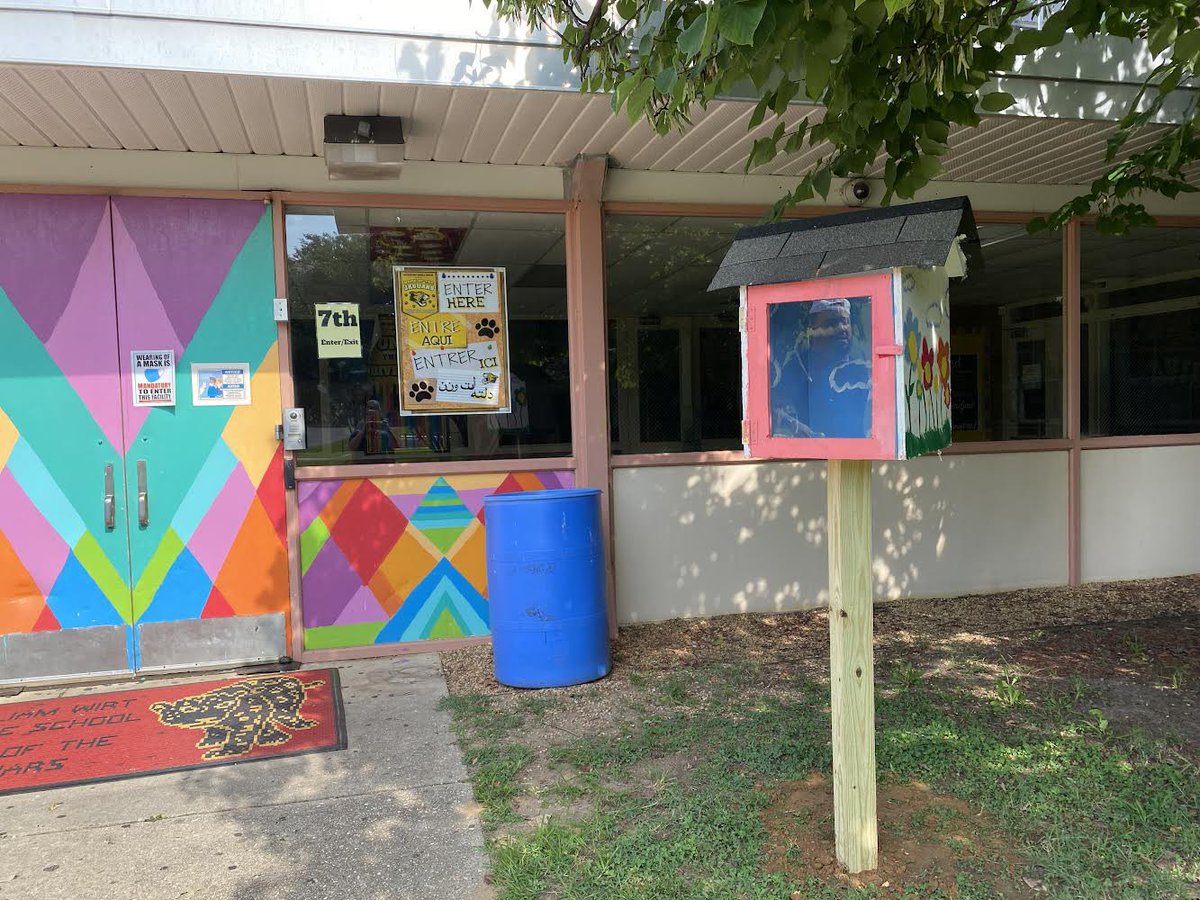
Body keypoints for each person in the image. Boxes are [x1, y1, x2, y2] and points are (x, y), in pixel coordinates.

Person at [770, 298, 871, 439]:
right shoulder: (797, 370)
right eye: (832, 323)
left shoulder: (862, 369)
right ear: (812, 330)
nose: (842, 328)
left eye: (845, 322)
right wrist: (794, 425)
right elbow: (774, 408)